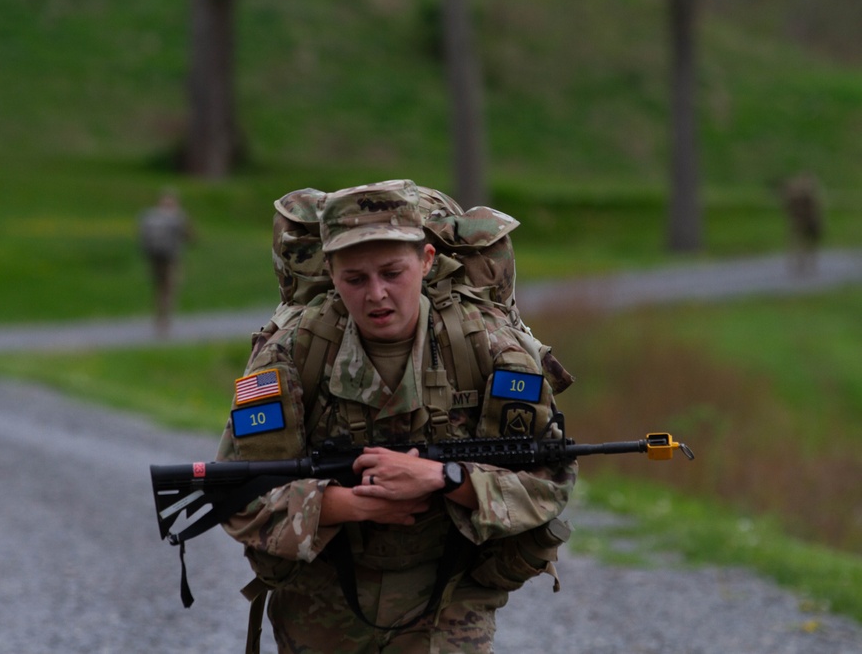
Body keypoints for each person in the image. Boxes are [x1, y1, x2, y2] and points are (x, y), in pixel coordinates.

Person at [217, 180, 577, 653]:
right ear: (330, 271)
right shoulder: (292, 354)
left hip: (449, 588)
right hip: (321, 593)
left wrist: (444, 477)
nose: (377, 295)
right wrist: (348, 505)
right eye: (356, 279)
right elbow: (234, 492)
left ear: (427, 261)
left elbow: (550, 477)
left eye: (393, 273)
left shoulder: (489, 350)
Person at [137, 190, 194, 337]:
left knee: (159, 287)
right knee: (169, 287)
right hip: (171, 258)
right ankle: (164, 320)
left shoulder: (150, 216)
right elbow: (190, 236)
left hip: (154, 257)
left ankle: (158, 317)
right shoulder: (177, 217)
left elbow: (142, 235)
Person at [780, 172, 824, 276]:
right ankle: (801, 262)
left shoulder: (803, 195)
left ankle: (804, 262)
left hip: (807, 221)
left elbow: (816, 210)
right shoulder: (800, 195)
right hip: (800, 221)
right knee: (800, 242)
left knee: (807, 243)